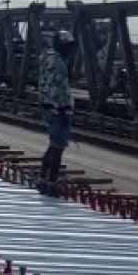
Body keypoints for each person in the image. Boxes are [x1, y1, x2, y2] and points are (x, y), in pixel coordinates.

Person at [36, 29, 76, 193]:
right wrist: (62, 107)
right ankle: (51, 181)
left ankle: (44, 177)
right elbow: (56, 87)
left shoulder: (48, 58)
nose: (70, 49)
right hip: (56, 109)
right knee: (58, 146)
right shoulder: (57, 62)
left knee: (54, 145)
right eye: (67, 45)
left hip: (50, 107)